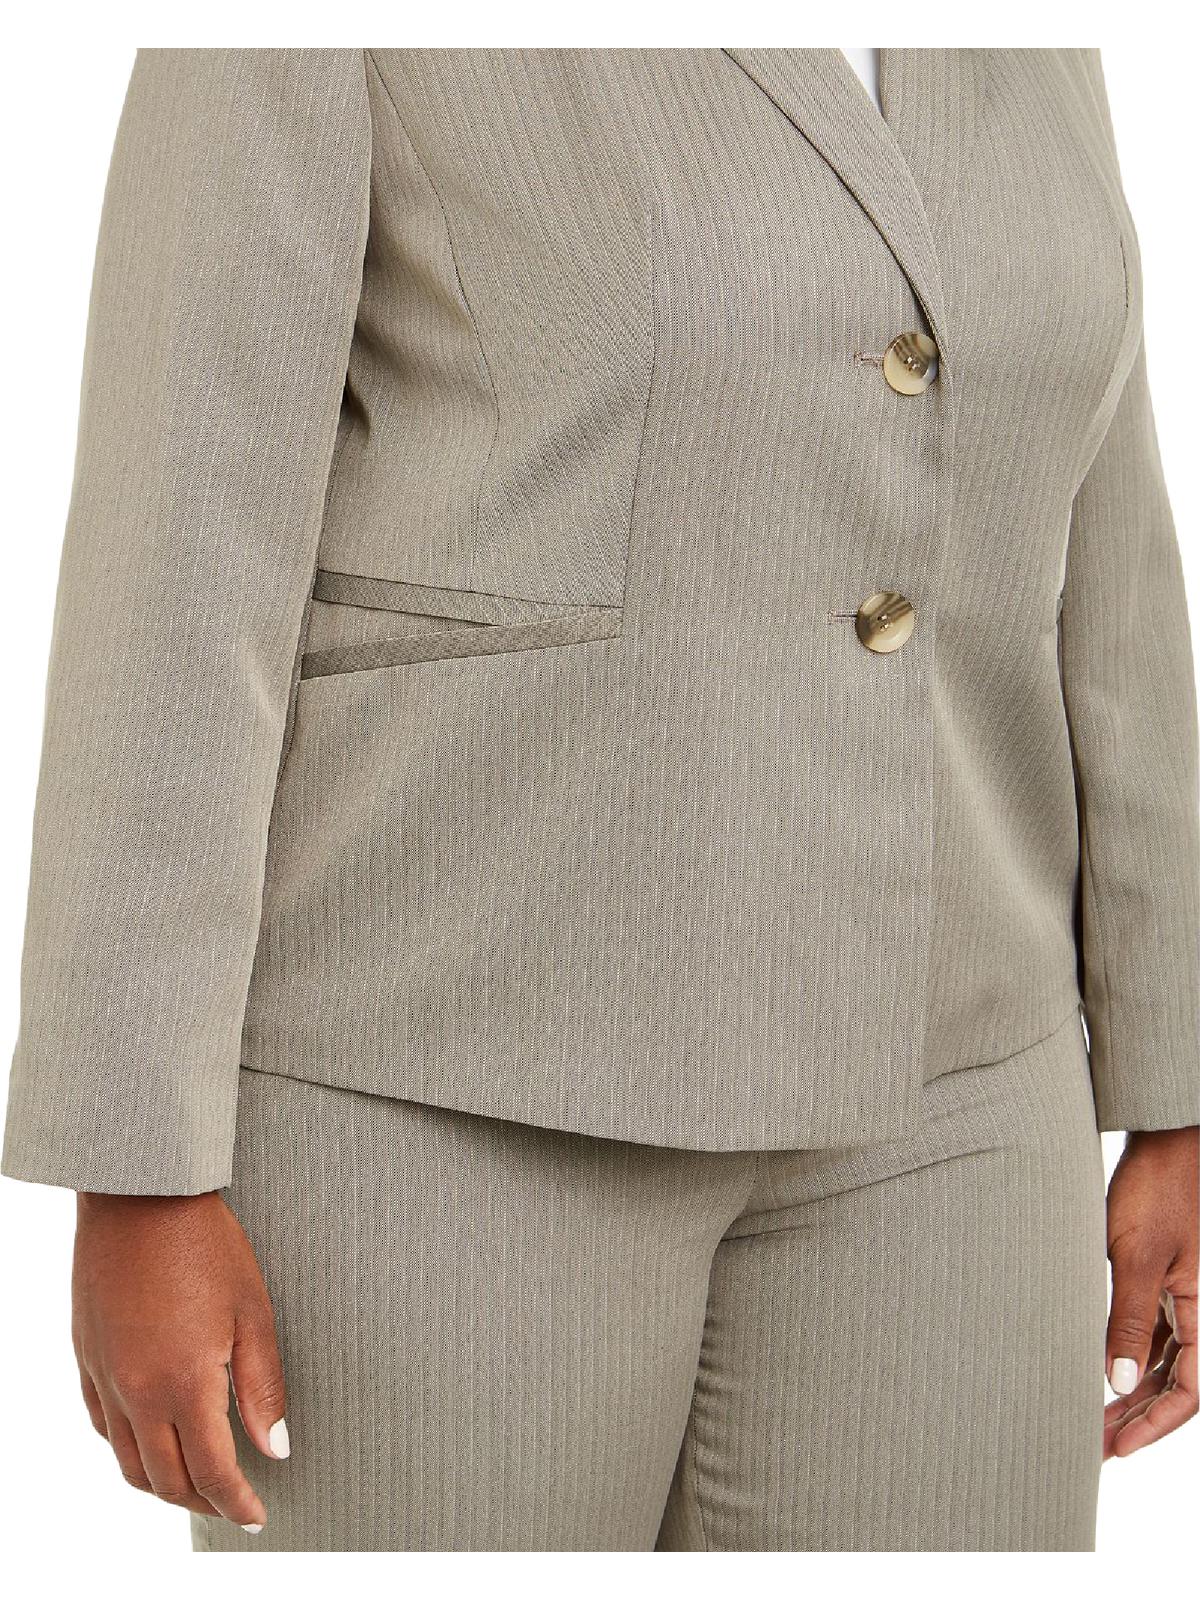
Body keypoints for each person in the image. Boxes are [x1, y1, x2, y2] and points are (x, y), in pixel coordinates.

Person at [4, 47, 1197, 1552]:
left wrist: (1178, 1080)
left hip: (960, 1098)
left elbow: (1110, 541)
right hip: (448, 1086)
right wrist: (135, 1172)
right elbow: (182, 558)